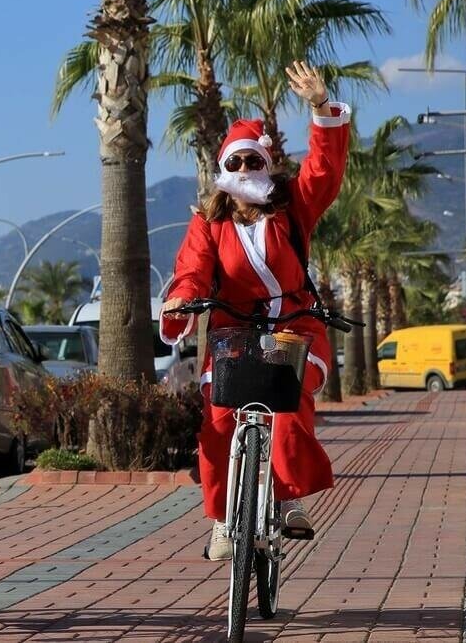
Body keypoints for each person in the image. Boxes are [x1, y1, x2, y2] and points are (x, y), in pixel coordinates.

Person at [159, 61, 350, 561]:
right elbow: (193, 270)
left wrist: (318, 108)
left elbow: (324, 171)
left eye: (253, 161)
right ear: (223, 171)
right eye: (236, 163)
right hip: (232, 334)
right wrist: (181, 301)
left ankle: (287, 498)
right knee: (219, 422)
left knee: (287, 404)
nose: (245, 170)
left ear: (267, 165)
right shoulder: (208, 222)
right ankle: (224, 520)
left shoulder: (294, 209)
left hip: (293, 328)